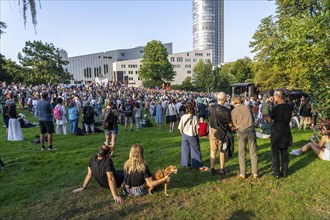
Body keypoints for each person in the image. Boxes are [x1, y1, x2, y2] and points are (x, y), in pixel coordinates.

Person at [231, 96, 259, 179]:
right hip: (251, 130)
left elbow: (234, 123)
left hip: (241, 131)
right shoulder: (247, 108)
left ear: (234, 101)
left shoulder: (233, 111)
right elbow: (253, 119)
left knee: (242, 152)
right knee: (253, 152)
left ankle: (243, 173)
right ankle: (255, 173)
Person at [268, 89, 293, 179]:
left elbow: (270, 119)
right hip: (285, 130)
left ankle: (276, 173)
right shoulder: (290, 107)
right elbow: (289, 118)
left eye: (274, 96)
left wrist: (268, 118)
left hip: (276, 131)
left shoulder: (275, 108)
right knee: (284, 152)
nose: (274, 98)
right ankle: (285, 172)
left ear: (278, 97)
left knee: (275, 152)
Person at [178, 102, 208, 171]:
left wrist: (182, 134)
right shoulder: (195, 117)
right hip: (192, 135)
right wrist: (198, 135)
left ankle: (186, 164)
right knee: (196, 150)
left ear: (187, 110)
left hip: (185, 135)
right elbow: (197, 128)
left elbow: (180, 128)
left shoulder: (183, 117)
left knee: (185, 150)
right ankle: (197, 165)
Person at [208, 92, 233, 175]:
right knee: (222, 151)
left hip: (213, 130)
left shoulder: (211, 108)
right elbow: (230, 123)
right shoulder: (226, 111)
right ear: (224, 99)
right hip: (223, 132)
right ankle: (222, 169)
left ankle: (212, 168)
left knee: (213, 150)